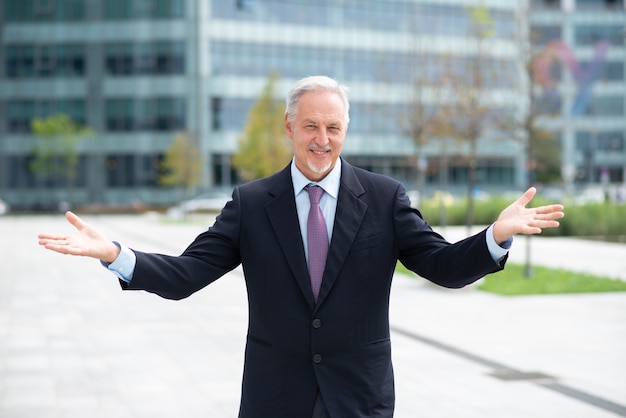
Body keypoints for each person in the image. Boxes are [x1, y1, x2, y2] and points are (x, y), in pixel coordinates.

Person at [38, 75, 564, 418]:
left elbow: (442, 266)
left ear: (345, 131)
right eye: (310, 125)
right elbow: (186, 274)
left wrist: (494, 237)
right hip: (275, 400)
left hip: (358, 399)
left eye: (333, 127)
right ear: (289, 127)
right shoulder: (251, 202)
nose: (322, 138)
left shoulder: (384, 198)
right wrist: (114, 254)